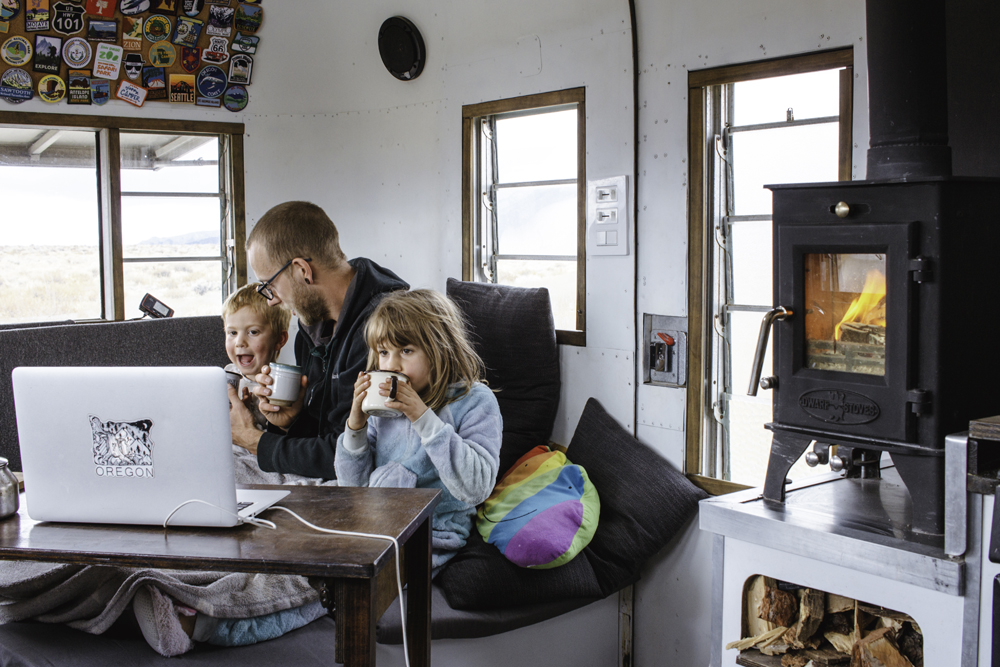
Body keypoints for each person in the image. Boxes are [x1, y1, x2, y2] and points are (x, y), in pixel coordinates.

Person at [229, 201, 408, 480]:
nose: (272, 300)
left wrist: (254, 440)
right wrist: (291, 421)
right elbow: (318, 435)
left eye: (269, 285)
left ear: (302, 270)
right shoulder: (311, 328)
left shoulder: (384, 330)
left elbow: (352, 453)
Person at [336, 289, 503, 572]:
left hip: (433, 533)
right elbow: (352, 490)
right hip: (374, 522)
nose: (391, 365)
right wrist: (356, 425)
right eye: (384, 352)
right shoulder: (384, 410)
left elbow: (477, 487)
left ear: (439, 349)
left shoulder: (475, 401)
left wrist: (421, 416)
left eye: (406, 351)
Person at [222, 282, 290, 431]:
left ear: (279, 340)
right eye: (232, 333)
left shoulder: (282, 386)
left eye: (253, 332)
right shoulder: (227, 375)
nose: (240, 342)